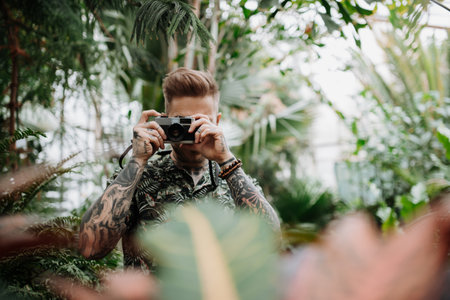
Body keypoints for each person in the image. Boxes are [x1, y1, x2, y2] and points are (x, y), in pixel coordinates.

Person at [79, 67, 280, 270]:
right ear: (167, 122)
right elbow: (90, 247)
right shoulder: (139, 176)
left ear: (217, 122)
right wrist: (137, 160)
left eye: (201, 121)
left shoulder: (233, 179)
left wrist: (226, 160)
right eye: (183, 122)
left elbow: (270, 243)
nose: (191, 130)